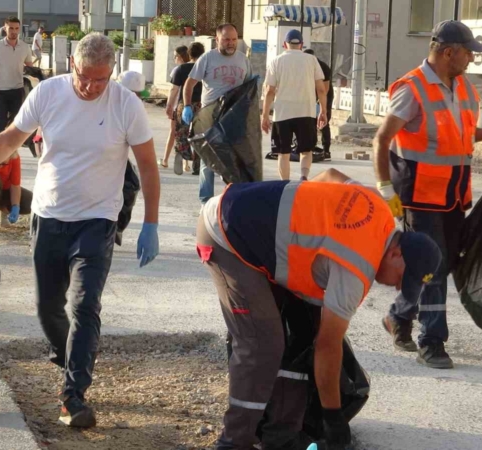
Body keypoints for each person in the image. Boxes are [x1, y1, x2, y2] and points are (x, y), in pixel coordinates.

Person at [0, 33, 160, 429]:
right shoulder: (47, 93)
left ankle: (72, 394)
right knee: (47, 309)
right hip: (49, 216)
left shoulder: (126, 105)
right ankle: (74, 353)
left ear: (112, 73)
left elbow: (147, 165)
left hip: (97, 221)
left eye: (101, 80)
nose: (92, 87)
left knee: (84, 305)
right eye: (85, 77)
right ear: (72, 65)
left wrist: (152, 223)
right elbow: (11, 137)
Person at [196, 168, 442, 450]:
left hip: (248, 213)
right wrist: (333, 417)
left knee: (300, 334)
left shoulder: (377, 206)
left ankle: (280, 436)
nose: (399, 288)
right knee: (263, 344)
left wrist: (302, 225)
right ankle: (233, 442)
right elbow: (328, 347)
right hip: (224, 233)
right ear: (397, 253)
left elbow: (330, 175)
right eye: (403, 278)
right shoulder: (357, 269)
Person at [374, 20, 482, 370]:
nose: (471, 60)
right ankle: (432, 341)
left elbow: (460, 135)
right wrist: (385, 188)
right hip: (418, 195)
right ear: (449, 52)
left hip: (452, 193)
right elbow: (382, 139)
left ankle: (398, 316)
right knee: (433, 267)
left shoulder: (465, 87)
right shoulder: (413, 88)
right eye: (467, 53)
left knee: (443, 264)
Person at [181, 23, 251, 211]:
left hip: (234, 117)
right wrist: (187, 106)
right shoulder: (207, 58)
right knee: (208, 160)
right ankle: (206, 202)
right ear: (217, 39)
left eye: (234, 39)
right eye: (227, 39)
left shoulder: (243, 60)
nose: (231, 43)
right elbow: (189, 84)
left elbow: (249, 88)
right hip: (211, 115)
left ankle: (232, 199)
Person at [261, 30, 327, 181]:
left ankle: (285, 183)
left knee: (283, 152)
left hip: (283, 113)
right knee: (306, 150)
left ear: (285, 44)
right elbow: (321, 89)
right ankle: (304, 176)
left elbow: (269, 91)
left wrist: (265, 115)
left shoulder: (276, 61)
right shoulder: (311, 60)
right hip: (306, 112)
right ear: (302, 45)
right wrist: (323, 111)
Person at [0, 16, 33, 137]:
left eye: (16, 28)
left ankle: (10, 154)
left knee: (15, 125)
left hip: (17, 90)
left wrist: (42, 77)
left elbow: (31, 69)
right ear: (5, 29)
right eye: (11, 28)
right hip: (0, 91)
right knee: (0, 124)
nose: (14, 31)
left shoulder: (25, 47)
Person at [165, 42, 204, 175]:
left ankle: (181, 153)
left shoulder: (181, 69)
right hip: (201, 104)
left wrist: (169, 105)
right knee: (199, 134)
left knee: (181, 132)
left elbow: (174, 89)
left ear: (189, 54)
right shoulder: (205, 68)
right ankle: (197, 166)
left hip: (185, 104)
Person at [160, 45, 190, 173]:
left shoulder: (178, 70)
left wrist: (169, 105)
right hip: (190, 104)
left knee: (173, 132)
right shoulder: (194, 68)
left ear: (181, 57)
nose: (174, 59)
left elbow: (173, 89)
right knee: (188, 132)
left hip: (178, 105)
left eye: (175, 56)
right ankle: (186, 163)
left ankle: (165, 160)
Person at [304, 48, 333, 160]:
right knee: (310, 122)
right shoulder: (304, 66)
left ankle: (326, 150)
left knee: (323, 122)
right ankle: (312, 147)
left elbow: (324, 90)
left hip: (325, 95)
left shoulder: (323, 67)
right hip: (310, 95)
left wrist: (320, 106)